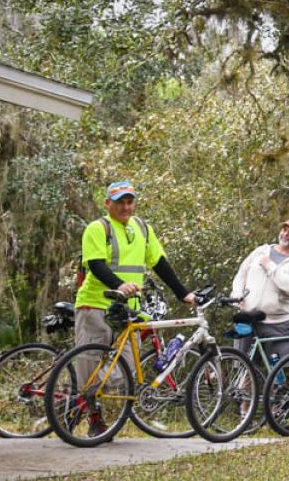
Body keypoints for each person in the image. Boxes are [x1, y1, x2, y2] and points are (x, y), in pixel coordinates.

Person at [76, 181, 198, 437]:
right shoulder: (98, 229)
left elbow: (160, 263)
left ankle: (91, 406)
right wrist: (120, 285)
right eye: (120, 201)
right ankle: (93, 418)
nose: (125, 206)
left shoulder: (142, 228)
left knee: (124, 374)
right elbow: (96, 265)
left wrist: (183, 293)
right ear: (108, 203)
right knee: (90, 366)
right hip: (96, 304)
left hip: (129, 311)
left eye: (129, 201)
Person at [229, 218, 289, 367]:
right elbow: (241, 274)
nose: (286, 234)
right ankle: (245, 391)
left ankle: (274, 391)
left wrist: (270, 266)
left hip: (277, 324)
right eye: (285, 230)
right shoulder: (261, 251)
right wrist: (236, 294)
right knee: (244, 370)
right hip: (248, 318)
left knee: (277, 372)